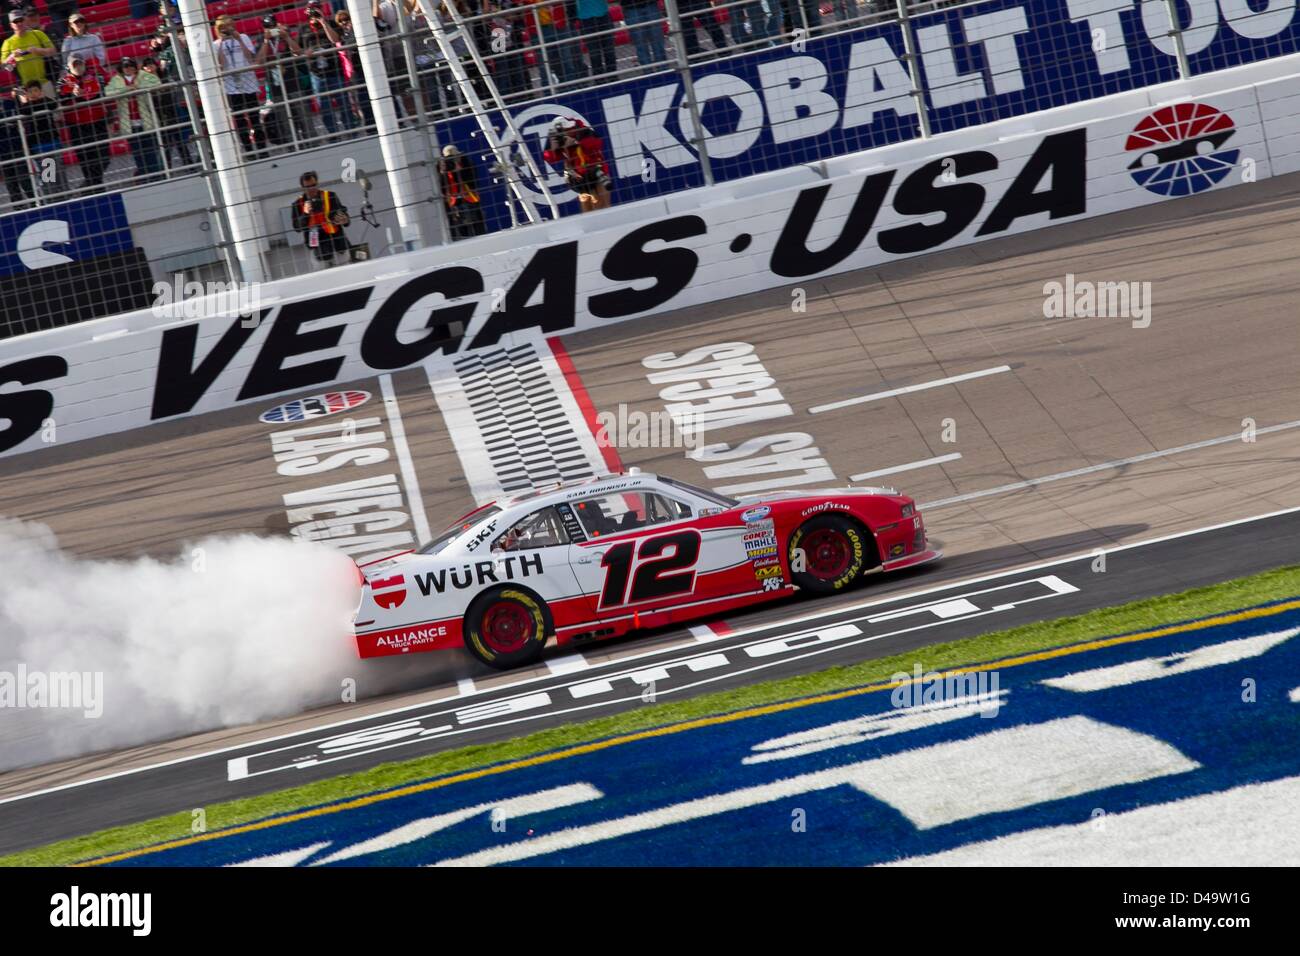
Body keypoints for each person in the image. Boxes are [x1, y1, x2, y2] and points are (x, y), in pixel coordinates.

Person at [297, 2, 355, 139]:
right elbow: (297, 50)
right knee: (325, 107)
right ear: (306, 11)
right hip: (316, 73)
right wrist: (306, 52)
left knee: (344, 103)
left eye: (318, 8)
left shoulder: (330, 23)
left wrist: (323, 22)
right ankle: (333, 135)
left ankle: (352, 132)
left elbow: (335, 39)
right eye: (312, 9)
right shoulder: (303, 29)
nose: (315, 11)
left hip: (334, 71)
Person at [213, 14, 267, 154]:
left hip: (248, 83)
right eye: (223, 27)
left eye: (229, 26)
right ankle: (248, 149)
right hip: (231, 87)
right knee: (239, 120)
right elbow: (221, 64)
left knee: (254, 117)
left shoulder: (243, 37)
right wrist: (221, 43)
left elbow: (251, 58)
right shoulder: (216, 44)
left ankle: (262, 149)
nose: (227, 29)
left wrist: (238, 39)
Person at [57, 53, 111, 190]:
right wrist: (71, 94)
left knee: (104, 156)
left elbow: (96, 93)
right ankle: (95, 186)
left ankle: (91, 184)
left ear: (84, 64)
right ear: (68, 66)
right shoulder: (63, 81)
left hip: (97, 121)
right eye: (74, 64)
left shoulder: (95, 77)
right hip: (77, 125)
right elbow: (60, 99)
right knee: (85, 157)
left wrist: (79, 95)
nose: (78, 67)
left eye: (80, 63)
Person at [106, 57, 164, 182]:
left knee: (151, 150)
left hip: (146, 119)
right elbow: (108, 92)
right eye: (125, 66)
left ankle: (156, 175)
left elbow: (156, 83)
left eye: (130, 65)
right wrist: (126, 89)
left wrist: (139, 87)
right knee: (138, 152)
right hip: (129, 122)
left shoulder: (143, 75)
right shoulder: (116, 79)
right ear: (121, 68)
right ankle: (144, 176)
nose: (128, 68)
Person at [260, 14, 313, 147]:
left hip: (293, 83)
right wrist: (266, 41)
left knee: (304, 117)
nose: (271, 29)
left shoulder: (284, 35)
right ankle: (292, 147)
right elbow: (259, 61)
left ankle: (313, 143)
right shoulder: (262, 40)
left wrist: (287, 37)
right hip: (276, 87)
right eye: (268, 27)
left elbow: (298, 52)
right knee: (284, 120)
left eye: (273, 26)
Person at [543, 116, 611, 212]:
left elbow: (597, 143)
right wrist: (553, 148)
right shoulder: (556, 137)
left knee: (602, 205)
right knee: (587, 209)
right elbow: (550, 158)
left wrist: (576, 142)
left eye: (567, 130)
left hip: (597, 171)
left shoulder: (583, 130)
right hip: (578, 177)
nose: (565, 133)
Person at [290, 169, 352, 266]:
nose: (311, 189)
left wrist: (344, 219)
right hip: (317, 248)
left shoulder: (330, 196)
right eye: (307, 187)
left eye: (313, 185)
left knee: (347, 271)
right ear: (302, 188)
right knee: (323, 276)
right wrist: (306, 214)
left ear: (317, 184)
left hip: (338, 244)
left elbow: (344, 215)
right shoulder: (298, 203)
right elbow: (296, 227)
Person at [15, 79, 62, 195]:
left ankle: (61, 194)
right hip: (37, 145)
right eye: (30, 92)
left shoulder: (46, 102)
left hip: (52, 141)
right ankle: (49, 197)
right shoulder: (26, 106)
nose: (33, 94)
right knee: (45, 173)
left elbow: (53, 104)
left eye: (36, 91)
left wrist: (41, 99)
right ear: (27, 94)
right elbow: (24, 110)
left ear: (41, 91)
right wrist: (23, 99)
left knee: (58, 171)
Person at [2, 8, 56, 95]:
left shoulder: (38, 33)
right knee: (30, 108)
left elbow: (53, 51)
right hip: (23, 87)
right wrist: (12, 56)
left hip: (44, 81)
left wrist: (38, 50)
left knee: (53, 107)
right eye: (16, 21)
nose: (19, 23)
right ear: (11, 25)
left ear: (25, 20)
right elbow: (3, 66)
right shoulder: (8, 43)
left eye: (21, 20)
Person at [436, 144, 485, 240]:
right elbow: (441, 188)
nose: (452, 161)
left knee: (478, 230)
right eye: (449, 158)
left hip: (470, 200)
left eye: (454, 157)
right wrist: (443, 173)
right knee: (459, 232)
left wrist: (461, 170)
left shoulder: (466, 163)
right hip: (453, 204)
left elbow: (473, 182)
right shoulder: (442, 167)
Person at [0, 90, 35, 206]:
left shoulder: (9, 102)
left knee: (24, 177)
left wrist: (22, 99)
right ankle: (18, 206)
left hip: (16, 145)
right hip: (2, 150)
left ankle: (35, 202)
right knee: (10, 181)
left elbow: (22, 115)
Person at [574, 0, 615, 80]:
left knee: (609, 50)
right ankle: (599, 81)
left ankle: (613, 77)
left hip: (603, 14)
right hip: (586, 18)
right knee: (594, 53)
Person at [621, 0, 666, 68]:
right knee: (640, 41)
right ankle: (648, 71)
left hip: (650, 4)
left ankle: (663, 68)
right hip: (631, 7)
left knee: (657, 38)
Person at [61, 12, 107, 77]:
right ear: (71, 25)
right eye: (76, 21)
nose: (79, 23)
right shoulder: (67, 41)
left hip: (93, 71)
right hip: (76, 72)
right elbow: (65, 61)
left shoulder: (94, 38)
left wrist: (91, 68)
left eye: (81, 21)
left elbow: (101, 58)